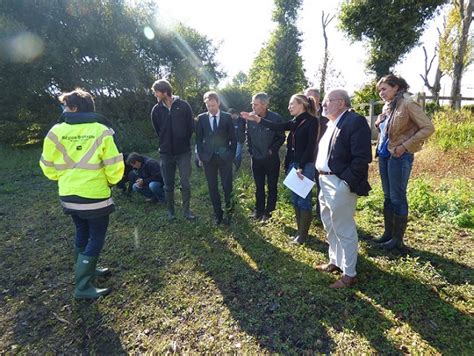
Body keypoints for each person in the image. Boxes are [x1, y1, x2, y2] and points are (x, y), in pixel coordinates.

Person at [39, 89, 124, 299]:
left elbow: (46, 164)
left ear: (75, 108)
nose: (64, 109)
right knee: (96, 237)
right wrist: (111, 182)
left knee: (81, 232)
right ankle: (83, 286)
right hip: (95, 197)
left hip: (68, 195)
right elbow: (114, 164)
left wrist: (61, 180)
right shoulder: (100, 130)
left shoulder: (55, 131)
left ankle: (88, 269)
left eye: (66, 105)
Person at [242, 94, 319, 243]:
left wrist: (301, 166)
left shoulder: (311, 122)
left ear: (301, 105)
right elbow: (276, 126)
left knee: (303, 200)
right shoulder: (295, 121)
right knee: (296, 199)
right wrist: (257, 119)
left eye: (292, 104)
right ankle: (299, 233)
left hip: (304, 166)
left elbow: (311, 147)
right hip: (293, 165)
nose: (289, 107)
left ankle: (303, 236)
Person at [314, 89, 372, 289]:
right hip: (324, 181)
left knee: (344, 227)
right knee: (329, 223)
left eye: (329, 100)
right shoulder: (331, 124)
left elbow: (362, 157)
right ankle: (335, 261)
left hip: (339, 182)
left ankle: (349, 273)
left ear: (342, 103)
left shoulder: (354, 121)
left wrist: (345, 183)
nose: (324, 104)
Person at [374, 74, 435, 250]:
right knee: (387, 196)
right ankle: (388, 234)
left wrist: (405, 146)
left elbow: (428, 128)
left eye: (384, 88)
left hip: (400, 156)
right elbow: (390, 131)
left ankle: (397, 240)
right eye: (380, 90)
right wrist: (380, 123)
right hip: (385, 155)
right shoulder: (389, 106)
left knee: (397, 197)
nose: (381, 93)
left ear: (396, 87)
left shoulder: (408, 103)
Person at [151, 79, 195, 221]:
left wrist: (182, 141)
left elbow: (190, 127)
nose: (155, 94)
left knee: (185, 183)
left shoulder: (183, 106)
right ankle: (171, 212)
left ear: (165, 91)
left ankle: (187, 211)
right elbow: (158, 130)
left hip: (183, 152)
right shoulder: (156, 110)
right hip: (165, 153)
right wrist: (166, 143)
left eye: (156, 92)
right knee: (168, 184)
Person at [196, 91, 237, 225]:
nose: (211, 108)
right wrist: (201, 156)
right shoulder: (201, 118)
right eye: (208, 106)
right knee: (212, 187)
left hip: (225, 158)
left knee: (227, 186)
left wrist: (231, 155)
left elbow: (233, 139)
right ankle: (218, 215)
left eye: (213, 105)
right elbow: (198, 139)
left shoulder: (227, 117)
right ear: (206, 105)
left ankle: (230, 213)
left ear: (218, 103)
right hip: (209, 158)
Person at [245, 93, 285, 221]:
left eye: (255, 104)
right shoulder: (250, 118)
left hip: (271, 160)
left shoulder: (275, 118)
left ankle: (268, 213)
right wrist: (251, 151)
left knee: (272, 186)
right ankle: (258, 211)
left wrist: (271, 150)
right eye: (252, 104)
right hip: (256, 159)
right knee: (259, 186)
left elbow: (281, 137)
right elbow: (248, 136)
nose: (253, 106)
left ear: (264, 105)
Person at [304, 87, 329, 223]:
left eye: (310, 97)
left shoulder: (327, 114)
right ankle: (305, 210)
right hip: (307, 157)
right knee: (305, 183)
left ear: (318, 99)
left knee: (321, 186)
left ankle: (321, 214)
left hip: (322, 157)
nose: (307, 100)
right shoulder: (302, 113)